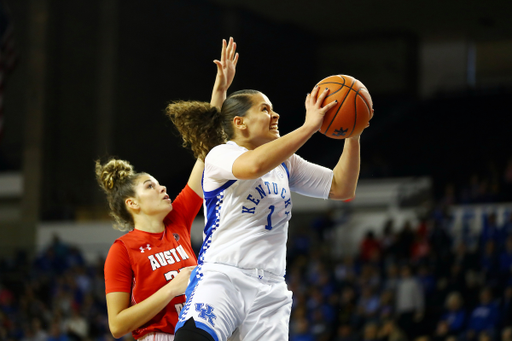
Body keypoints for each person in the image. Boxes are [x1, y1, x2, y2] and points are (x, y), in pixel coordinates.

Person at [167, 63, 370, 340]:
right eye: (264, 109)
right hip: (224, 275)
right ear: (240, 123)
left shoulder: (286, 162)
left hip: (270, 288)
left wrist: (353, 135)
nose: (275, 114)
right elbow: (253, 166)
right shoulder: (220, 155)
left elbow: (341, 187)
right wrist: (309, 127)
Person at [97, 37, 239, 341]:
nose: (162, 188)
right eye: (150, 185)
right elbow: (117, 325)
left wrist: (220, 93)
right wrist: (171, 290)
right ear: (132, 204)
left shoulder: (177, 220)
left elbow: (206, 153)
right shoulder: (122, 251)